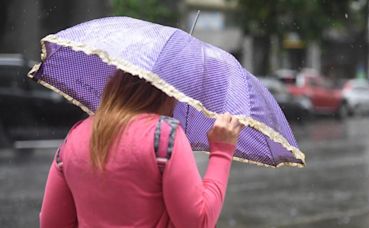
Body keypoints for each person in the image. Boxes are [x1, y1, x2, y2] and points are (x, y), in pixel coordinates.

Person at [40, 70, 244, 228]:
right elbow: (198, 221)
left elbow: (51, 223)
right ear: (167, 94)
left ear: (115, 86)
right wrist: (222, 151)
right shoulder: (164, 135)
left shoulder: (75, 136)